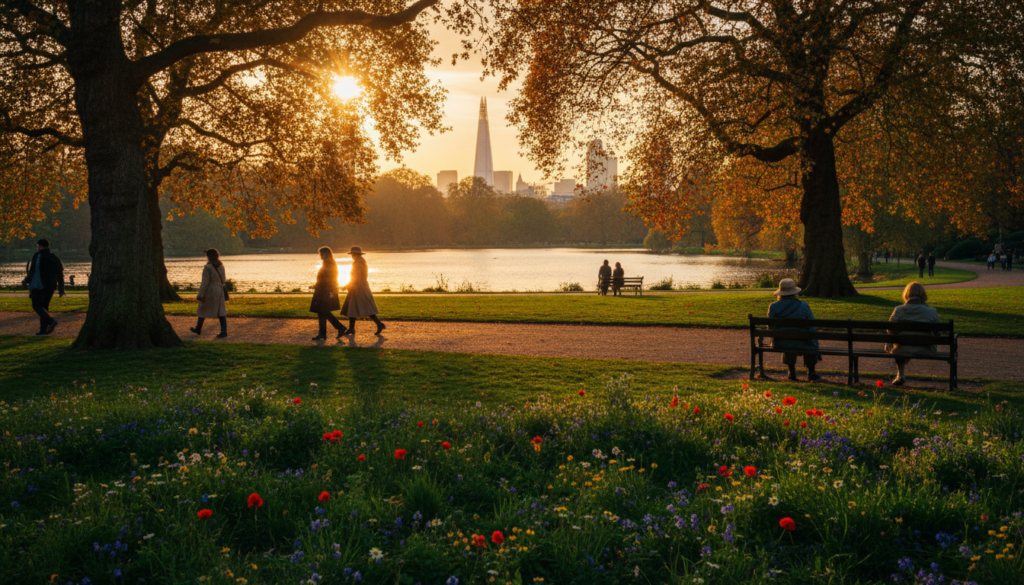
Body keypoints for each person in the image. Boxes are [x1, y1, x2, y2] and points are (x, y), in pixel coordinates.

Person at [885, 282, 941, 386]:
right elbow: (939, 333)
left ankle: (900, 375)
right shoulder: (931, 311)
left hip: (902, 348)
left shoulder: (899, 310)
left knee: (899, 346)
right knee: (905, 344)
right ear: (923, 295)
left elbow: (890, 330)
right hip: (926, 348)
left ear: (906, 294)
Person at [767, 279, 821, 382]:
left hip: (781, 343)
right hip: (804, 342)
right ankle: (811, 372)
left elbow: (770, 328)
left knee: (787, 339)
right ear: (794, 293)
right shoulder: (804, 305)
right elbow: (811, 326)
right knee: (810, 338)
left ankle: (791, 372)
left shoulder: (773, 307)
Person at [21, 238, 65, 335]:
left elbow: (33, 271)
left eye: (37, 246)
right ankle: (43, 330)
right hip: (51, 286)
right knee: (44, 307)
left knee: (37, 305)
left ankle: (51, 321)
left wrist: (26, 280)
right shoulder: (54, 257)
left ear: (40, 246)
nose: (37, 248)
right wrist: (61, 288)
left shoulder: (38, 256)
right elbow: (60, 273)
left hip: (39, 285)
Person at [341, 246, 386, 335]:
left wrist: (347, 286)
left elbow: (356, 278)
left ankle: (378, 324)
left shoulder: (357, 264)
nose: (352, 256)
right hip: (361, 287)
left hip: (357, 289)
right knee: (355, 308)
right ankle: (352, 328)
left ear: (355, 255)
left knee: (357, 308)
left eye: (353, 254)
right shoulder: (362, 262)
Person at [310, 247, 346, 340]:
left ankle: (338, 327)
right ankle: (323, 333)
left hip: (324, 291)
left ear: (325, 254)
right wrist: (316, 285)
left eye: (321, 254)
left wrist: (328, 289)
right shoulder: (328, 264)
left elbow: (328, 279)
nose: (320, 256)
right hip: (322, 290)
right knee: (322, 312)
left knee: (323, 311)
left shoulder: (329, 264)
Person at [190, 248, 228, 338]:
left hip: (210, 290)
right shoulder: (221, 266)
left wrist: (200, 294)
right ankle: (224, 330)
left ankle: (198, 328)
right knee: (221, 311)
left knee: (203, 308)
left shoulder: (208, 267)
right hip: (219, 290)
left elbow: (204, 282)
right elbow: (224, 279)